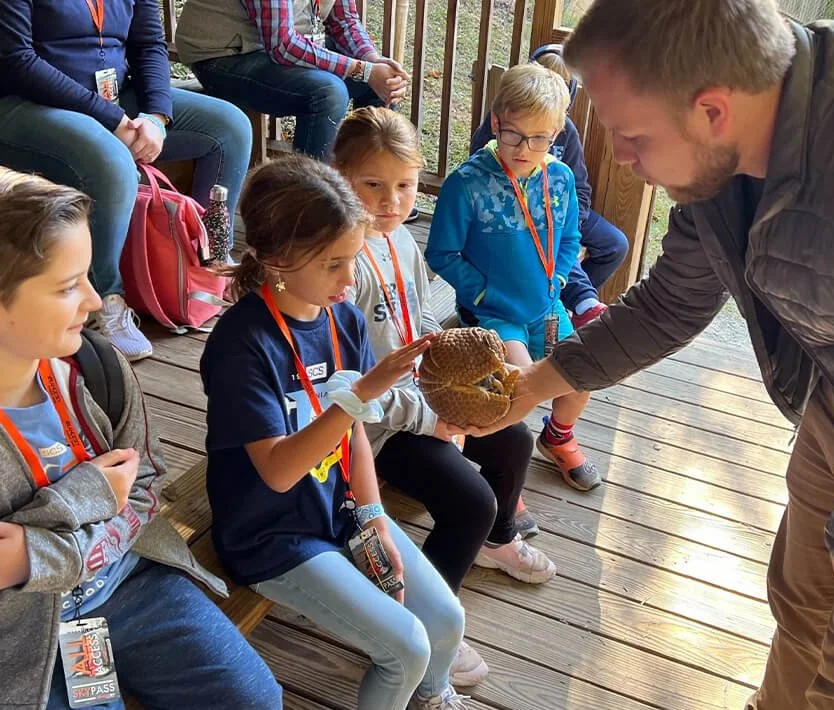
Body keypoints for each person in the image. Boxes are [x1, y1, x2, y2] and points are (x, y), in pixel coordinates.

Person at [452, 2, 834, 708]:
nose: (623, 160)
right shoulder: (730, 142)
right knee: (803, 602)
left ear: (711, 110)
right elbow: (671, 303)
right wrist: (535, 384)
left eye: (633, 137)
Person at [0, 168, 281, 710]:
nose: (96, 301)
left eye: (88, 277)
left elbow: (145, 487)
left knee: (255, 700)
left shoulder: (96, 366)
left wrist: (38, 553)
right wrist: (94, 493)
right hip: (21, 632)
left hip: (125, 586)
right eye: (67, 286)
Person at [200, 155, 470, 710]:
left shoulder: (342, 318)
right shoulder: (240, 344)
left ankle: (434, 697)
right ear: (277, 259)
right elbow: (278, 472)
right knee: (406, 649)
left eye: (354, 259)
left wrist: (374, 519)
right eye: (334, 264)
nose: (350, 280)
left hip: (338, 507)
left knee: (446, 622)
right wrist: (358, 395)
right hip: (272, 534)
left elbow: (355, 438)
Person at [335, 107, 557, 687]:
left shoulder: (401, 241)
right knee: (470, 501)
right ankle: (427, 623)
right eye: (373, 185)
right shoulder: (340, 266)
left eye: (405, 186)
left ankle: (497, 541)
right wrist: (431, 418)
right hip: (373, 431)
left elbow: (417, 326)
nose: (391, 201)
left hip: (421, 400)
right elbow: (347, 390)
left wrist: (455, 371)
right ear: (340, 177)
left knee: (514, 439)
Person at [0, 0, 252, 362]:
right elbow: (16, 60)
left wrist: (157, 116)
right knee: (112, 160)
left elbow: (148, 43)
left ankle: (209, 262)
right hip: (26, 102)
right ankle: (104, 299)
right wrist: (113, 119)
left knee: (229, 127)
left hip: (114, 97)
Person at [427, 63, 600, 499]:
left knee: (582, 377)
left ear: (557, 132)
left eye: (540, 138)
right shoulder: (466, 184)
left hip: (546, 306)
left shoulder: (560, 178)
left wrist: (558, 278)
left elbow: (571, 238)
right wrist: (483, 291)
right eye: (514, 135)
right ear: (496, 123)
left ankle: (557, 436)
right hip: (495, 313)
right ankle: (504, 473)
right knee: (517, 387)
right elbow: (441, 253)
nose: (525, 149)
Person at [469, 44, 628, 329]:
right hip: (513, 210)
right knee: (542, 238)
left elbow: (580, 188)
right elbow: (478, 175)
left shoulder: (566, 131)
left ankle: (566, 302)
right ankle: (580, 302)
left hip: (562, 209)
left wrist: (570, 223)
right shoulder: (502, 123)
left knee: (615, 244)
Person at [175, 0, 408, 162]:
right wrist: (363, 70)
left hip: (275, 46)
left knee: (383, 82)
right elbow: (283, 45)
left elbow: (344, 20)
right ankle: (309, 203)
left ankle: (372, 188)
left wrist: (372, 60)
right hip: (222, 55)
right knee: (329, 93)